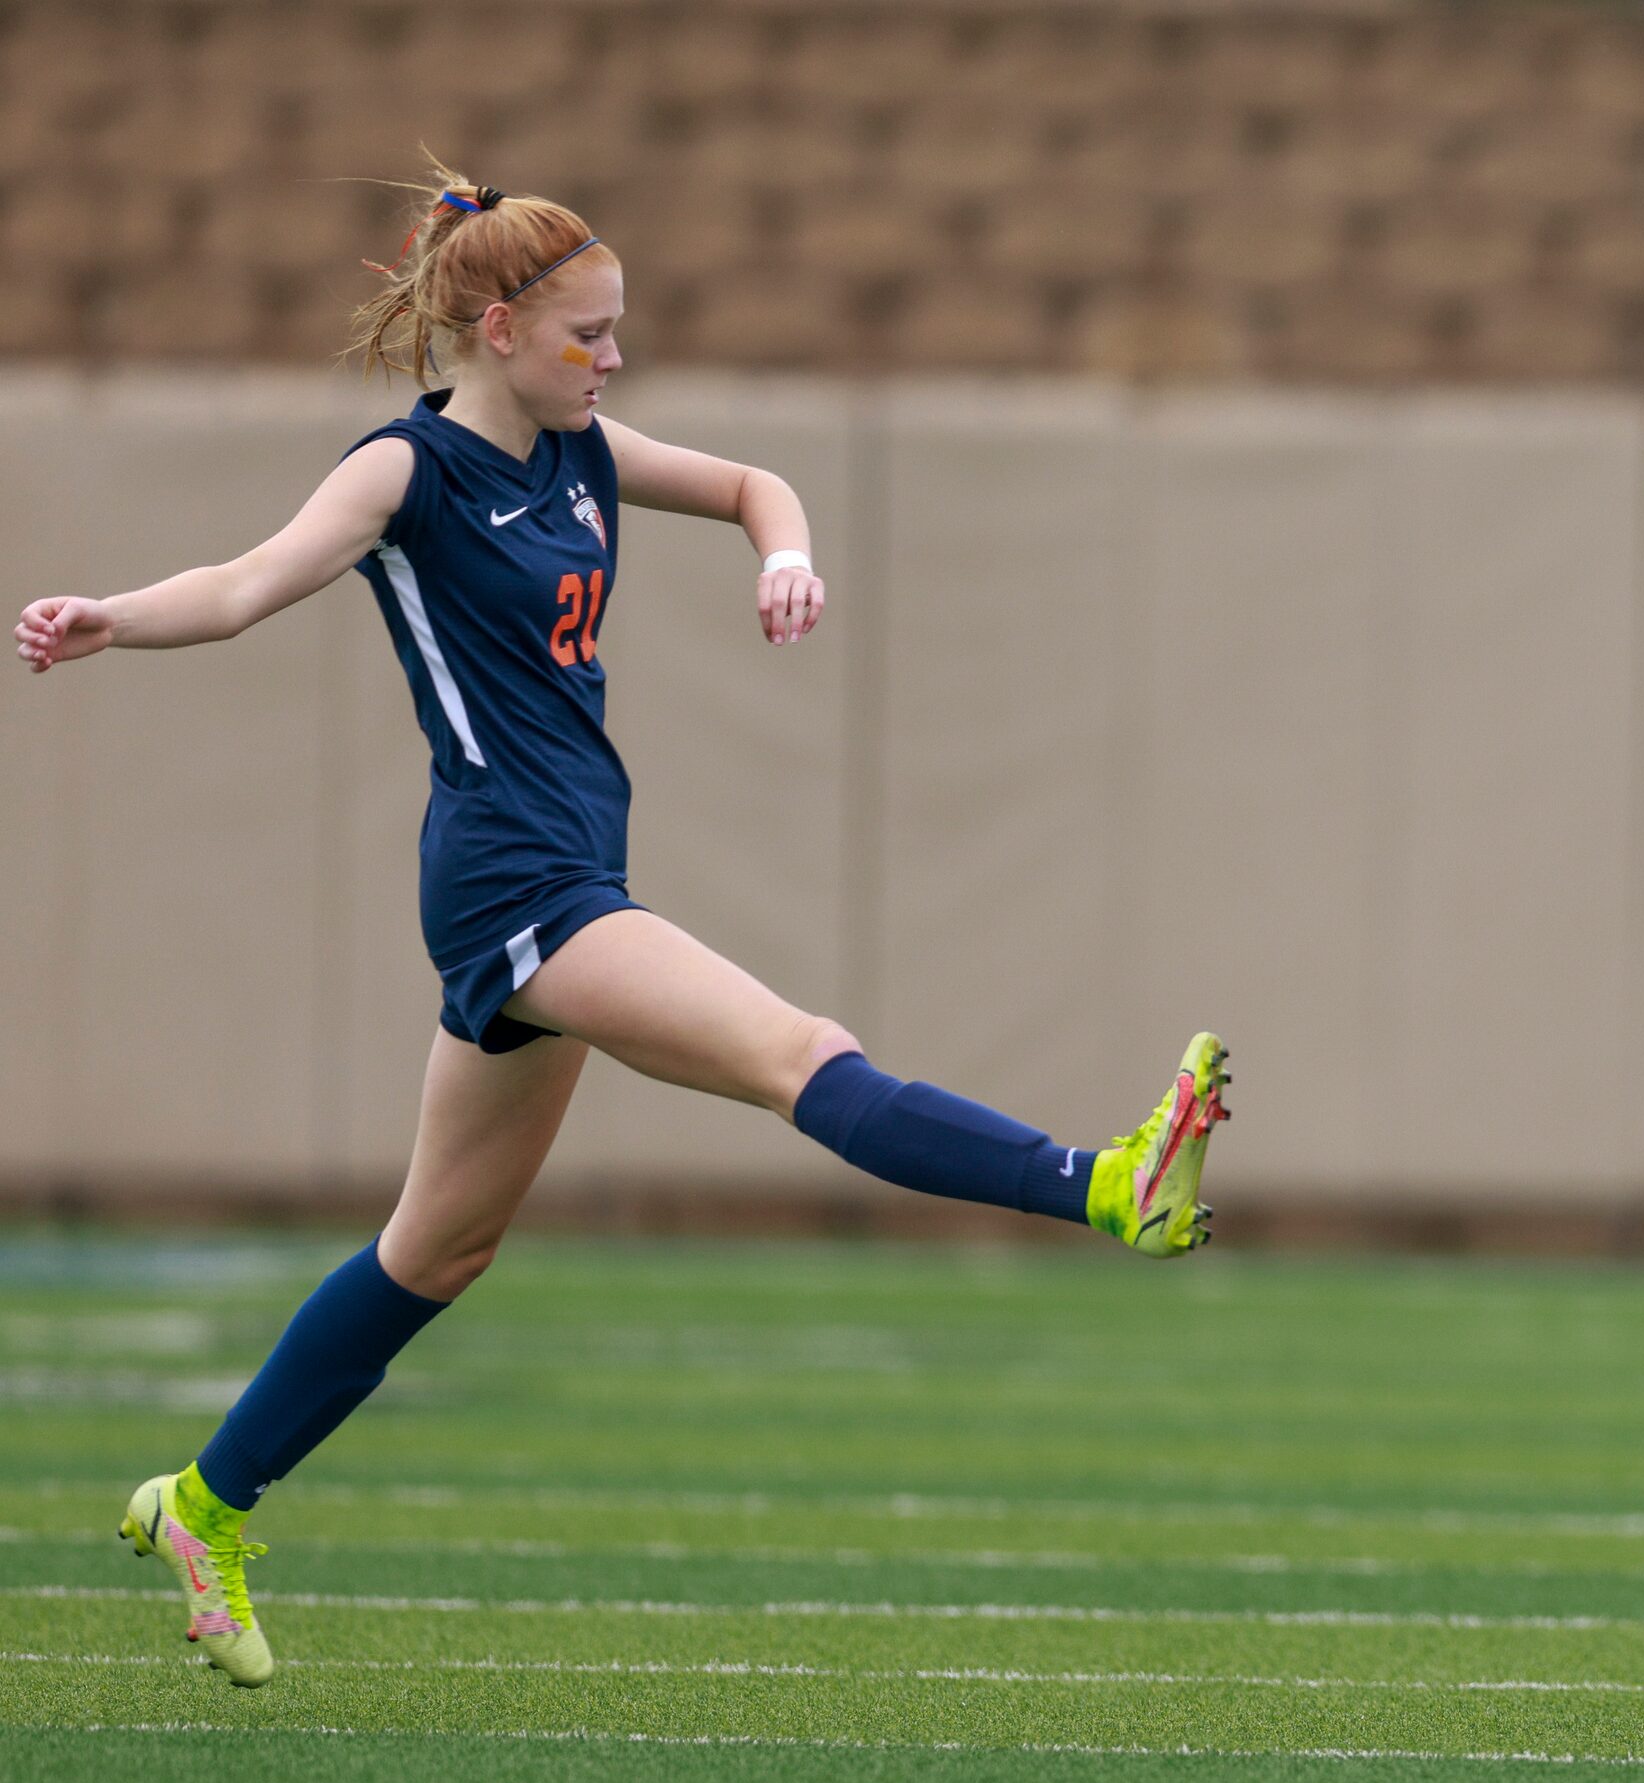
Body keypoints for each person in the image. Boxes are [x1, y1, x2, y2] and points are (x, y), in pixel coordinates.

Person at [12, 166, 1231, 1690]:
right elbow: (249, 581)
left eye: (621, 336)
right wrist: (114, 616)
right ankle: (1105, 1182)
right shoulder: (406, 476)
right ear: (503, 326)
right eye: (590, 336)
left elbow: (749, 486)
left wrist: (781, 551)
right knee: (802, 1053)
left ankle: (203, 1502)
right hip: (517, 880)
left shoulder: (585, 448)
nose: (612, 361)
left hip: (571, 858)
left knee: (440, 1245)